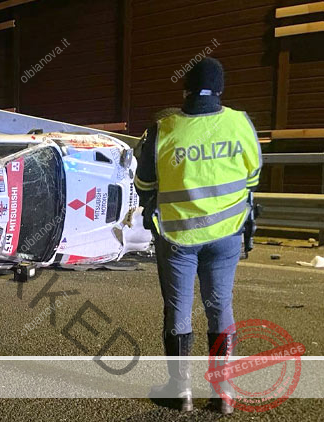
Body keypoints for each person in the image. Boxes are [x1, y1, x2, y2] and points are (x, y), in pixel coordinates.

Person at [135, 57, 262, 414]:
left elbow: (144, 183)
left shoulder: (164, 129)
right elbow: (253, 178)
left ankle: (180, 392)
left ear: (185, 90)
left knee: (178, 310)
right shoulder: (240, 123)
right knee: (219, 306)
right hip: (226, 235)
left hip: (178, 237)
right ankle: (223, 394)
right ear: (220, 90)